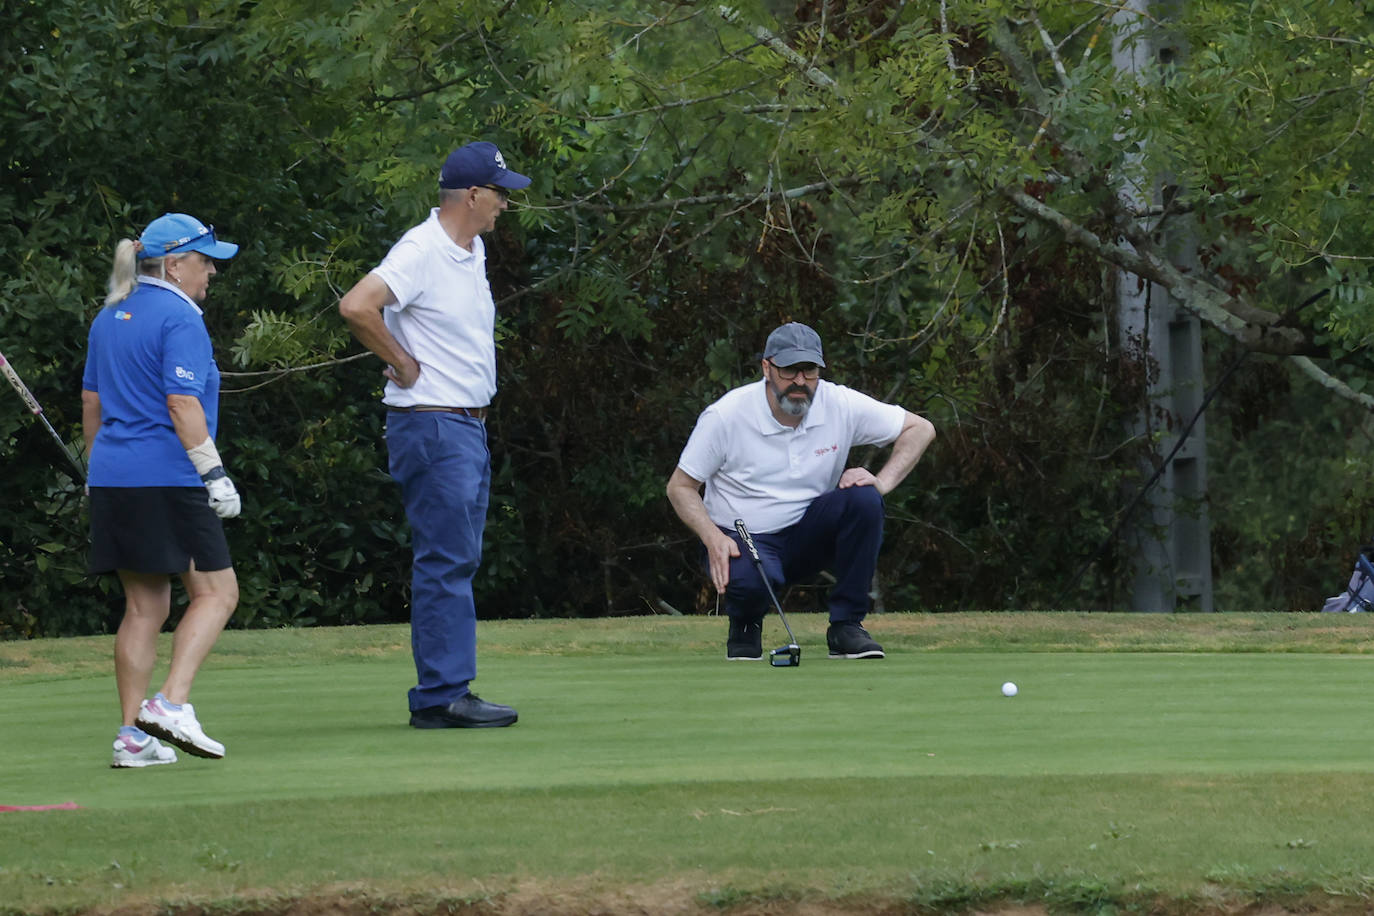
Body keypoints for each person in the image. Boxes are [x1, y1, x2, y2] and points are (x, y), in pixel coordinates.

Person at [339, 141, 530, 729]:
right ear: (472, 195)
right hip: (434, 424)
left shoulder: (468, 251)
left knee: (457, 558)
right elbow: (356, 305)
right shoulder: (421, 249)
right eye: (500, 194)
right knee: (446, 559)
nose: (504, 204)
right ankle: (441, 695)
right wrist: (402, 361)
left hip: (463, 425)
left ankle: (446, 688)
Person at [666, 322, 937, 660]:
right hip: (744, 540)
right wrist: (711, 536)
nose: (799, 382)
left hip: (807, 536)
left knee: (865, 498)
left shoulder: (838, 402)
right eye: (789, 370)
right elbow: (680, 486)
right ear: (767, 368)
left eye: (809, 371)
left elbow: (920, 429)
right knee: (750, 585)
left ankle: (846, 626)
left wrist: (881, 481)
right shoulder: (726, 415)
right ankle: (746, 625)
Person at [82, 212, 243, 768]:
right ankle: (170, 703)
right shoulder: (181, 318)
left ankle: (133, 738)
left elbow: (93, 406)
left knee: (144, 605)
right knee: (217, 593)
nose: (210, 275)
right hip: (169, 477)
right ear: (175, 265)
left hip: (114, 476)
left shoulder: (108, 317)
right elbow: (182, 404)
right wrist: (214, 473)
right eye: (205, 262)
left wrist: (95, 470)